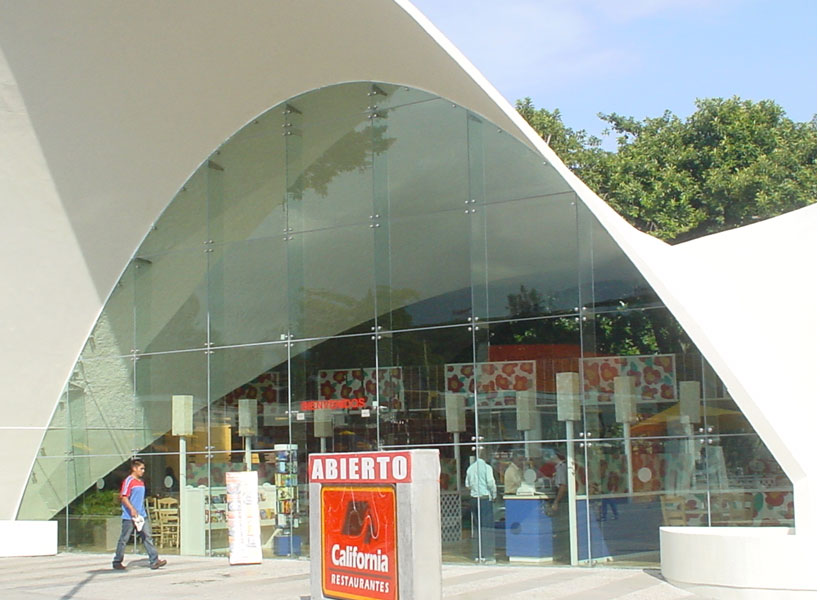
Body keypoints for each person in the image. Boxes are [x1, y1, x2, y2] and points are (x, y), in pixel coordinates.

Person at [112, 458, 167, 571]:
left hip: (141, 515)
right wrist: (131, 509)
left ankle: (154, 560)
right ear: (134, 468)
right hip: (129, 516)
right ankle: (117, 561)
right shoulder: (129, 481)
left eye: (144, 469)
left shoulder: (141, 482)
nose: (143, 471)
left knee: (147, 537)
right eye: (141, 469)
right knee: (124, 539)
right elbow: (124, 497)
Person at [465, 448, 497, 563]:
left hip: (474, 499)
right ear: (485, 456)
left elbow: (467, 484)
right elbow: (491, 483)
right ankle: (488, 555)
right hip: (484, 499)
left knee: (477, 527)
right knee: (487, 528)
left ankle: (477, 554)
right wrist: (494, 495)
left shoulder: (470, 468)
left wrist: (475, 488)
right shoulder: (487, 468)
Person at [549, 450, 569, 563]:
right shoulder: (562, 467)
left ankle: (566, 554)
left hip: (563, 499)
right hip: (563, 497)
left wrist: (556, 501)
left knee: (563, 527)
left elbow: (562, 486)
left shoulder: (561, 468)